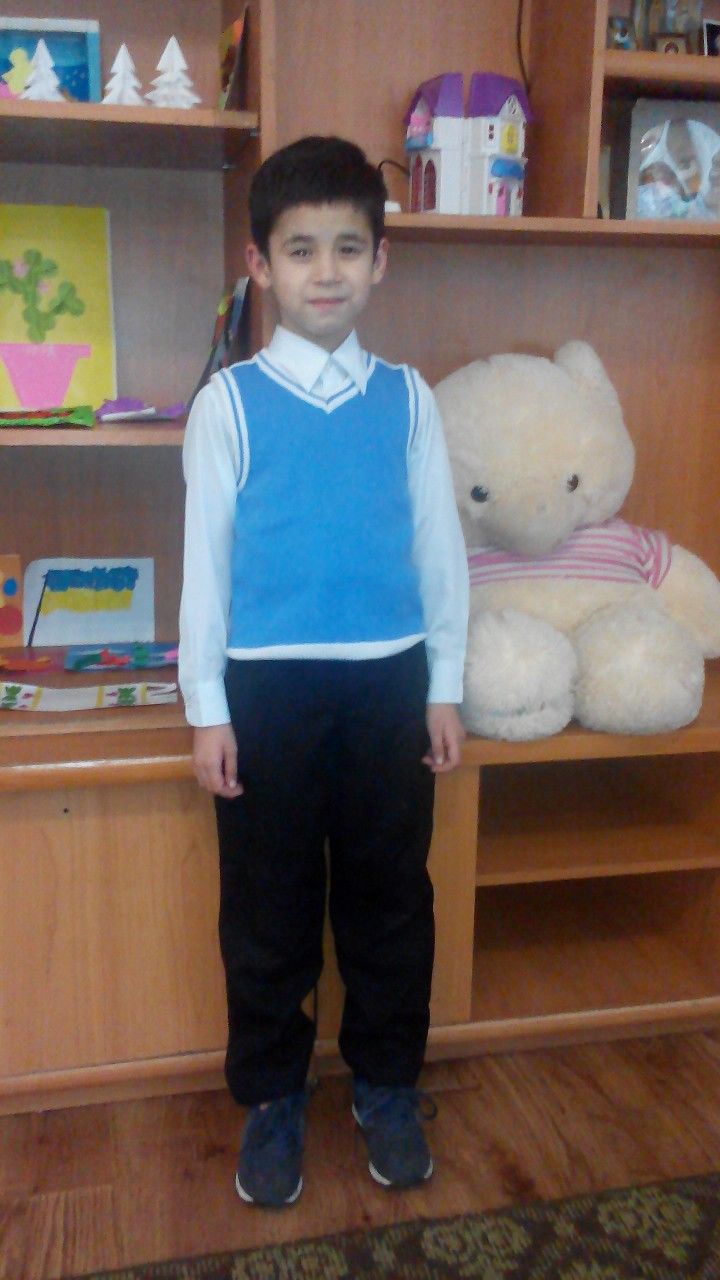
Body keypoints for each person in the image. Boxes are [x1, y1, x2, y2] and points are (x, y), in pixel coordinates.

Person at [178, 135, 469, 1209]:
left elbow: (439, 549)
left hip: (390, 685)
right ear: (260, 265)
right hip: (268, 694)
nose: (327, 270)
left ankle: (386, 1081)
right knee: (269, 907)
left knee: (391, 898)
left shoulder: (409, 398)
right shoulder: (229, 405)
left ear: (380, 260)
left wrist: (444, 683)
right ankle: (272, 1095)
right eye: (301, 249)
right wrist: (207, 707)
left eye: (349, 247)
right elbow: (206, 568)